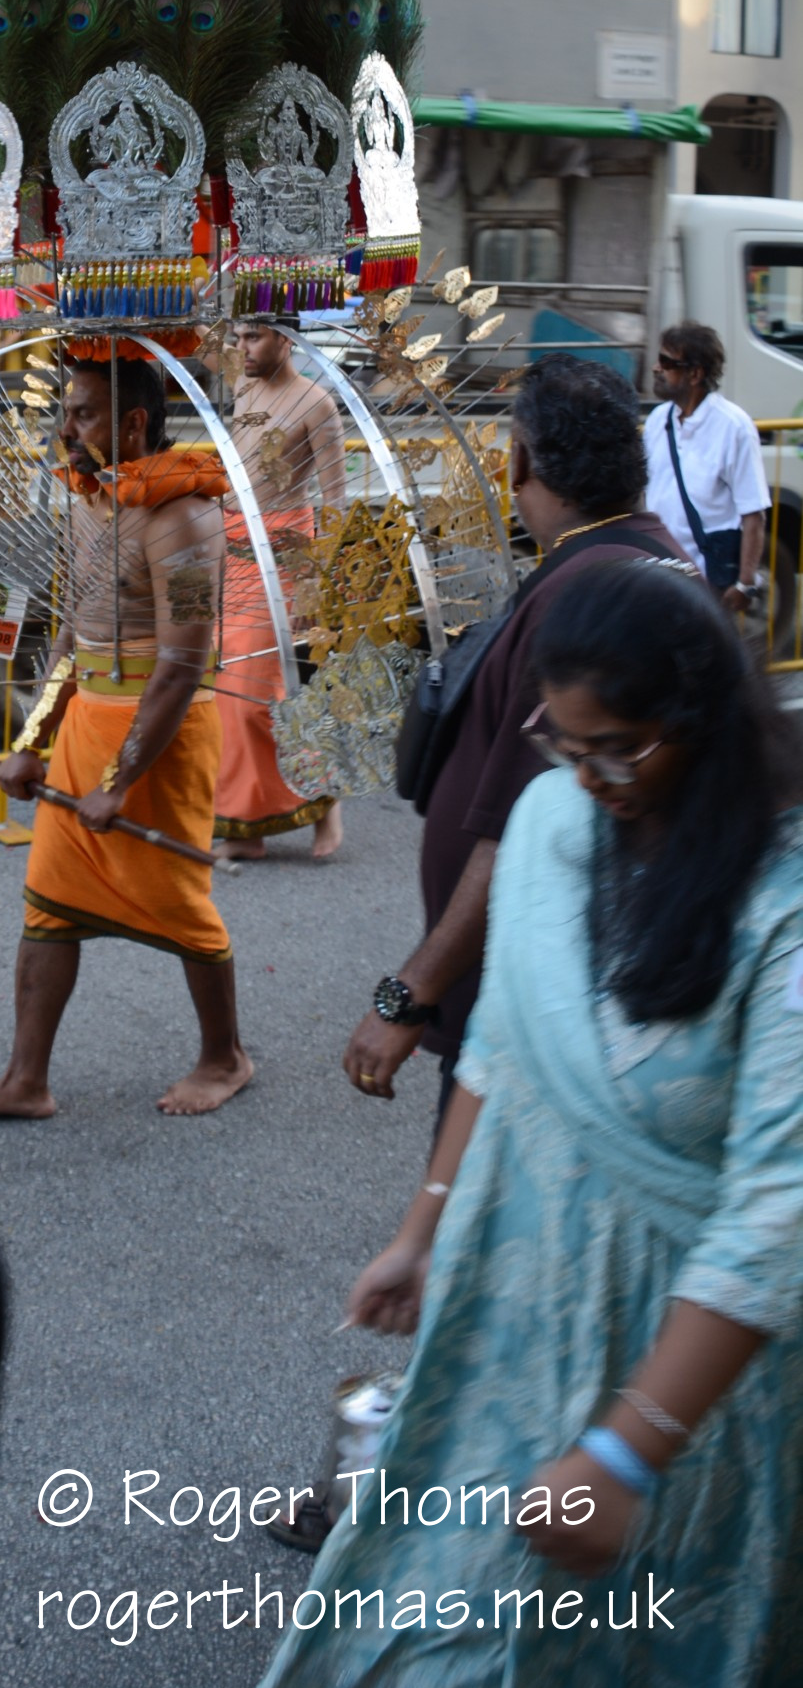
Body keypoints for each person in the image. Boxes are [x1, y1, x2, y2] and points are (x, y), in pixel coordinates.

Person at [250, 557, 803, 1688]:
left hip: (690, 1358)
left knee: (646, 1643)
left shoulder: (782, 903)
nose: (591, 774)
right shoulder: (555, 813)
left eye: (623, 749)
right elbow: (504, 1040)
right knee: (438, 1615)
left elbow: (775, 1211)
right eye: (568, 739)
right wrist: (424, 1228)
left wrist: (627, 1449)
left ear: (697, 723)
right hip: (517, 1296)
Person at [341, 355, 683, 1119]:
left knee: (470, 1203)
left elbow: (511, 831)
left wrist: (408, 995)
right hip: (569, 977)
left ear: (519, 460)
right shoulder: (647, 560)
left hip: (526, 994)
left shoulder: (588, 595)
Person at [0, 354, 251, 1120]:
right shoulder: (87, 498)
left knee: (180, 907)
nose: (64, 428)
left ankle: (224, 1057)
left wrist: (119, 781)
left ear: (133, 424)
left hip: (160, 735)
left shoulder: (183, 514)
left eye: (81, 414)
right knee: (47, 902)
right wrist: (33, 740)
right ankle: (25, 1080)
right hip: (84, 725)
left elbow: (180, 664)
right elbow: (73, 632)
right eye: (65, 411)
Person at [214, 313, 346, 859]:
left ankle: (322, 800)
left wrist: (317, 588)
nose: (241, 347)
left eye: (254, 337)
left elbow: (334, 507)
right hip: (228, 548)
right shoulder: (242, 383)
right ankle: (252, 827)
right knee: (229, 695)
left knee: (252, 697)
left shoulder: (318, 403)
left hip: (285, 557)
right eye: (238, 337)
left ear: (286, 340)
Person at [643, 319, 770, 614]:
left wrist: (745, 584)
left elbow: (753, 514)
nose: (655, 368)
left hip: (706, 584)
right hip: (657, 575)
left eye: (666, 362)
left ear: (695, 374)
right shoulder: (657, 421)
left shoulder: (734, 427)